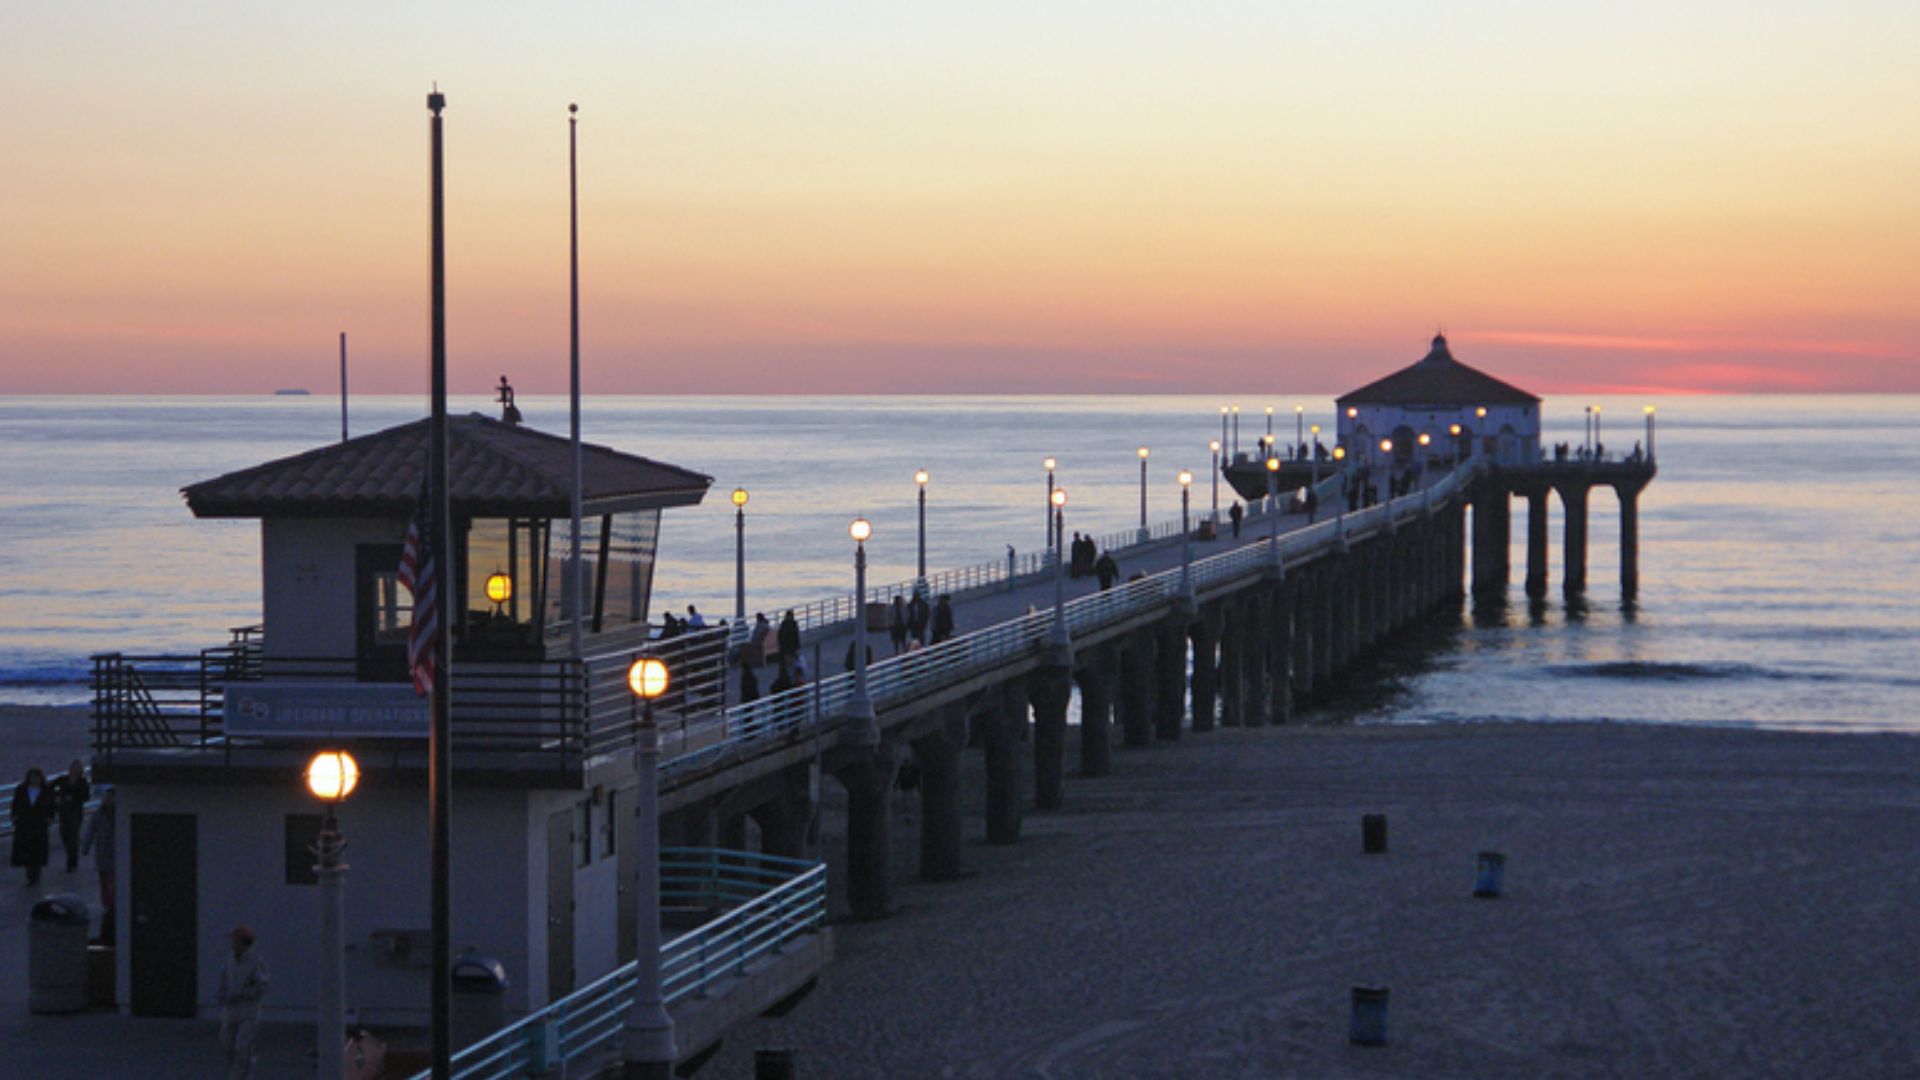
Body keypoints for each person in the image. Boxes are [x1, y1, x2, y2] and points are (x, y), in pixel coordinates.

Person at [219, 924, 270, 1080]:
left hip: (248, 1011)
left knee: (242, 1046)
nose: (231, 942)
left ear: (242, 941)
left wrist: (242, 994)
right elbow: (224, 979)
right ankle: (246, 1066)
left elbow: (262, 986)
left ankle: (240, 1075)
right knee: (227, 1044)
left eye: (234, 939)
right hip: (230, 1010)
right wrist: (223, 994)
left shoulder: (255, 962)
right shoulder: (230, 959)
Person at [82, 786, 116, 943]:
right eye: (105, 797)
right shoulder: (98, 814)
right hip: (103, 853)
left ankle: (111, 904)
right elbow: (91, 830)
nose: (106, 800)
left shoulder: (119, 813)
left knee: (111, 881)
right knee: (104, 880)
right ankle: (107, 903)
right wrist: (85, 847)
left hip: (115, 854)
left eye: (109, 797)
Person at [10, 766, 52, 886]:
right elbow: (15, 804)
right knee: (26, 851)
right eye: (32, 777)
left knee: (37, 852)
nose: (34, 779)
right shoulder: (21, 790)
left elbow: (51, 805)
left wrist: (49, 817)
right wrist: (14, 816)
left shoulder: (46, 790)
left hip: (39, 825)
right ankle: (30, 873)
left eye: (36, 777)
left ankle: (35, 874)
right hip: (24, 825)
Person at [50, 759, 89, 873]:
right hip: (63, 811)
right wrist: (57, 796)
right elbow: (50, 786)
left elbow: (86, 797)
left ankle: (72, 861)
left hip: (75, 811)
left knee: (73, 835)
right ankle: (70, 855)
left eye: (77, 768)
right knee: (64, 834)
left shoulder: (83, 782)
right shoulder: (63, 779)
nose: (75, 770)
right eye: (73, 767)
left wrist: (74, 798)